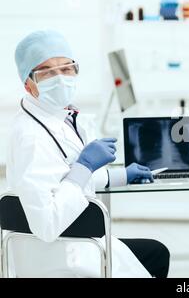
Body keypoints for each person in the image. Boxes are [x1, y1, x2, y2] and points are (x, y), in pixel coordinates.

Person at [6, 30, 170, 278]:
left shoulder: (56, 117)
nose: (60, 78)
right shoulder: (31, 137)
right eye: (47, 72)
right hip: (58, 256)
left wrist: (121, 176)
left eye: (66, 68)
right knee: (156, 255)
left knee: (156, 252)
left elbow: (62, 178)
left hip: (72, 244)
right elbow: (46, 224)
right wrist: (84, 165)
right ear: (28, 85)